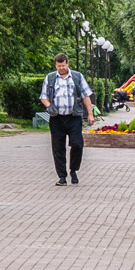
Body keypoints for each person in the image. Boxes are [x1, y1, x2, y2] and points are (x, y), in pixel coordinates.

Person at [39, 53, 93, 186]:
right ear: (55, 65)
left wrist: (90, 114)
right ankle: (62, 176)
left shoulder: (77, 77)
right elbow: (43, 97)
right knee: (58, 147)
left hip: (73, 117)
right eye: (59, 66)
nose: (61, 68)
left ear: (67, 64)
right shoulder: (50, 78)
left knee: (77, 144)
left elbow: (86, 96)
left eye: (63, 65)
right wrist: (49, 106)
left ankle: (73, 170)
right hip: (56, 118)